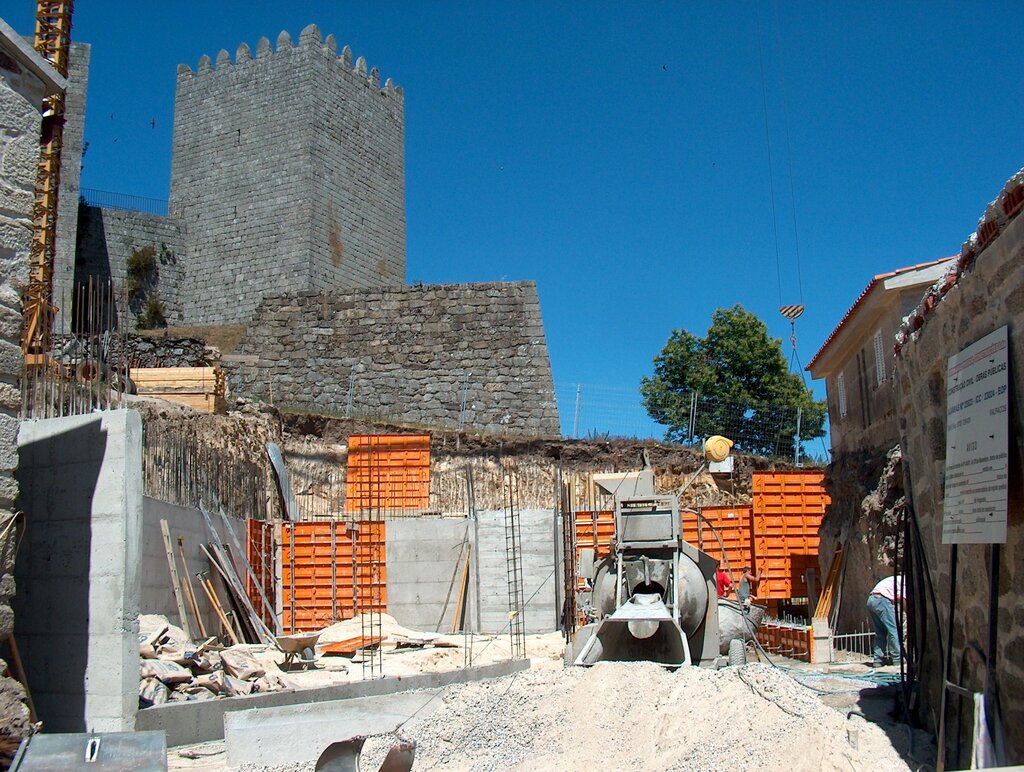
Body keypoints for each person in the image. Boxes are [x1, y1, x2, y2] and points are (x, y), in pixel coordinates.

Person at [867, 575, 905, 666]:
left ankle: (878, 660)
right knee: (894, 629)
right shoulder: (906, 582)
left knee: (880, 631)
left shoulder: (897, 579)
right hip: (881, 600)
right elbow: (900, 597)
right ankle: (897, 659)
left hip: (871, 600)